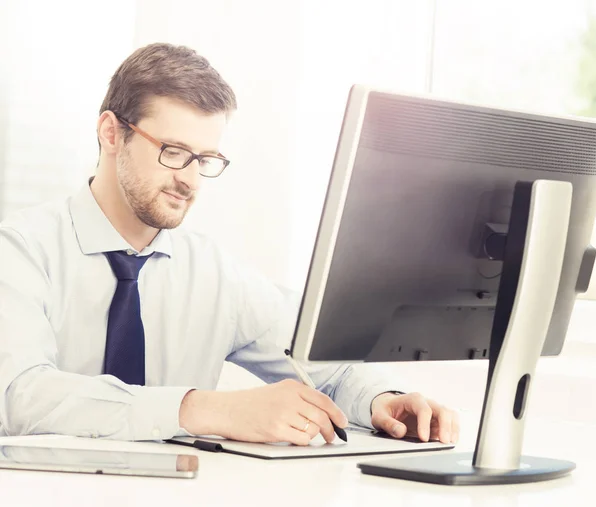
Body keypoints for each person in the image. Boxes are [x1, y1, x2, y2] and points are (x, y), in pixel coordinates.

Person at [0, 43, 459, 446]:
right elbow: (20, 396)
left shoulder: (213, 272)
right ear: (110, 133)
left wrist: (387, 399)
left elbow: (328, 368)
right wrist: (208, 409)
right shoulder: (20, 249)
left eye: (205, 159)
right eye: (174, 152)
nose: (189, 179)